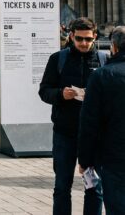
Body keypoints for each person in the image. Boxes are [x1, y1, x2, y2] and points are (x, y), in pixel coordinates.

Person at [39, 17, 105, 215]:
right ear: (71, 36)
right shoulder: (58, 59)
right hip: (65, 133)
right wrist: (61, 94)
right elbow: (44, 91)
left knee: (94, 187)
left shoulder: (103, 60)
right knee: (62, 187)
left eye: (88, 39)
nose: (84, 43)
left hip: (95, 136)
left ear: (95, 36)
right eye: (79, 39)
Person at [78, 26, 125, 214]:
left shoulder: (102, 75)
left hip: (114, 156)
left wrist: (84, 159)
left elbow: (89, 123)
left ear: (113, 47)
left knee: (117, 207)